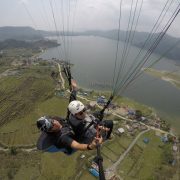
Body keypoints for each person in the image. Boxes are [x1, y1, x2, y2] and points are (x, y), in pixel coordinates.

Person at [36, 116, 103, 154]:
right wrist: (91, 146)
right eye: (52, 126)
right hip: (73, 141)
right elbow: (77, 145)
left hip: (71, 132)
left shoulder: (56, 119)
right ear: (50, 131)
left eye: (52, 121)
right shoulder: (62, 138)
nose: (55, 123)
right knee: (89, 135)